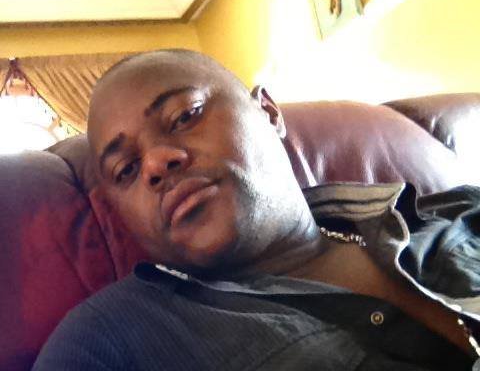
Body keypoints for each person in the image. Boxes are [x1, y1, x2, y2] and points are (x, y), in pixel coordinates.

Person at [34, 49, 480, 370]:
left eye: (184, 116)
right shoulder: (112, 337)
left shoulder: (457, 213)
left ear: (267, 111)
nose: (155, 163)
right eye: (126, 169)